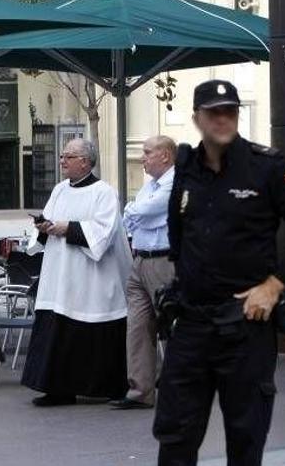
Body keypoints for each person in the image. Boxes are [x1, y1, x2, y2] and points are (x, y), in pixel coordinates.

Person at [153, 80, 285, 466]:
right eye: (214, 112)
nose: (223, 119)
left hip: (245, 326)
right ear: (197, 118)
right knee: (174, 437)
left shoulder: (268, 167)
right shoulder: (185, 168)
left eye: (230, 111)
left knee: (245, 438)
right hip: (191, 323)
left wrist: (275, 284)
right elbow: (177, 233)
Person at [21, 138, 133, 406]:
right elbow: (48, 221)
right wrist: (44, 227)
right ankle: (58, 389)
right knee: (58, 327)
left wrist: (67, 229)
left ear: (85, 161)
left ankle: (105, 387)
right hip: (59, 274)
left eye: (68, 157)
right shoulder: (60, 189)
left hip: (91, 276)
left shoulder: (104, 192)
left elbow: (103, 233)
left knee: (93, 327)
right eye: (62, 156)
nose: (62, 161)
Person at [110, 135, 176, 410]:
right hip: (139, 260)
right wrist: (138, 213)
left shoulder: (175, 183)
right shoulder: (150, 186)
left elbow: (146, 211)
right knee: (137, 326)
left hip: (164, 261)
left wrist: (137, 212)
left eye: (148, 152)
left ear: (165, 156)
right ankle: (140, 390)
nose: (142, 158)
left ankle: (180, 387)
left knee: (172, 325)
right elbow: (132, 216)